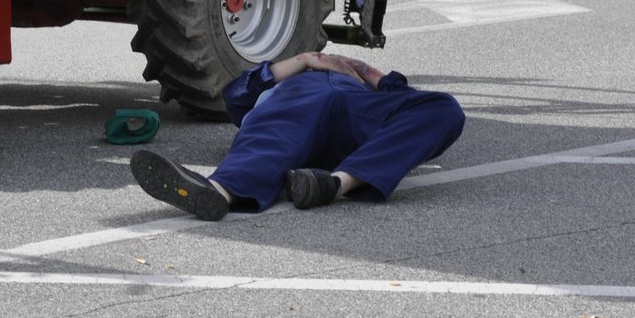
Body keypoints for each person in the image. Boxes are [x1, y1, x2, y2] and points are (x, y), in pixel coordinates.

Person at [130, 52, 465, 221]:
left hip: (356, 113)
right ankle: (216, 192)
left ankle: (332, 184)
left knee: (444, 109)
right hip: (295, 107)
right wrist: (307, 60)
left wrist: (361, 70)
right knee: (272, 142)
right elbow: (236, 95)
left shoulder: (360, 82)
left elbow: (404, 96)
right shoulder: (283, 84)